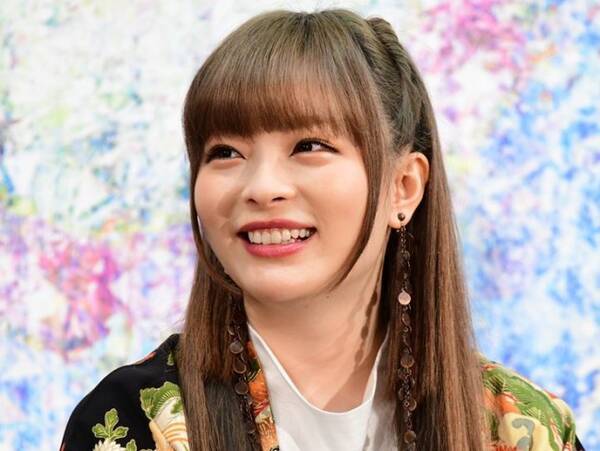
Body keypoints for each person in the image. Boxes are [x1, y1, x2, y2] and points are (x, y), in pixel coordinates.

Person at [60, 8, 585, 451]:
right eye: (226, 152)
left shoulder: (522, 428)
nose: (262, 187)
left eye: (309, 146)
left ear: (403, 187)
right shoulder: (131, 423)